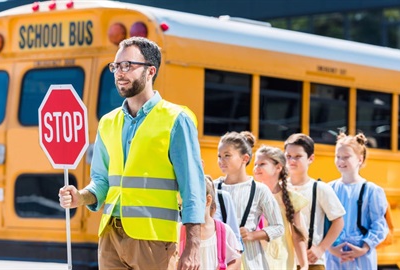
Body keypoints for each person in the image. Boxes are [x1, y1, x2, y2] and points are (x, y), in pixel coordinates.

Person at [58, 37, 205, 270]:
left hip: (153, 240)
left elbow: (192, 187)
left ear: (150, 71)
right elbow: (101, 181)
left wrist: (193, 247)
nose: (119, 73)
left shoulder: (177, 119)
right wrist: (81, 196)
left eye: (127, 65)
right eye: (116, 66)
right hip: (110, 237)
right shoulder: (107, 122)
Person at [215, 131, 284, 269]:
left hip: (250, 262)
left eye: (227, 155)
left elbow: (278, 227)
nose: (221, 160)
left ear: (245, 158)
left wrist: (252, 235)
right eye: (219, 156)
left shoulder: (259, 190)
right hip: (218, 259)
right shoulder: (213, 187)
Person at [325, 132, 388, 270]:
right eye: (338, 157)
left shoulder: (372, 190)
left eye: (346, 157)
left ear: (360, 159)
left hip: (361, 256)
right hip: (334, 256)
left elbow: (379, 224)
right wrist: (330, 248)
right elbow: (321, 223)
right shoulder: (328, 189)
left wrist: (364, 247)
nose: (341, 161)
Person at [284, 133, 345, 270]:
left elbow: (339, 221)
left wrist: (321, 248)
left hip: (311, 262)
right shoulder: (279, 188)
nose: (292, 160)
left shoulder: (320, 188)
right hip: (284, 261)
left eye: (298, 156)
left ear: (311, 158)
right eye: (288, 156)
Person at [254, 145, 309, 270]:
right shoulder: (251, 194)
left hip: (281, 261)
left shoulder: (291, 198)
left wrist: (304, 265)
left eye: (262, 164)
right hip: (254, 259)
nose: (256, 168)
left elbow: (297, 235)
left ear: (278, 167)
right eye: (255, 164)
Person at [180, 176, 242, 269]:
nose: (185, 209)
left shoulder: (224, 231)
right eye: (182, 204)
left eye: (190, 203)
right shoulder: (179, 230)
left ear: (208, 200)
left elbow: (236, 260)